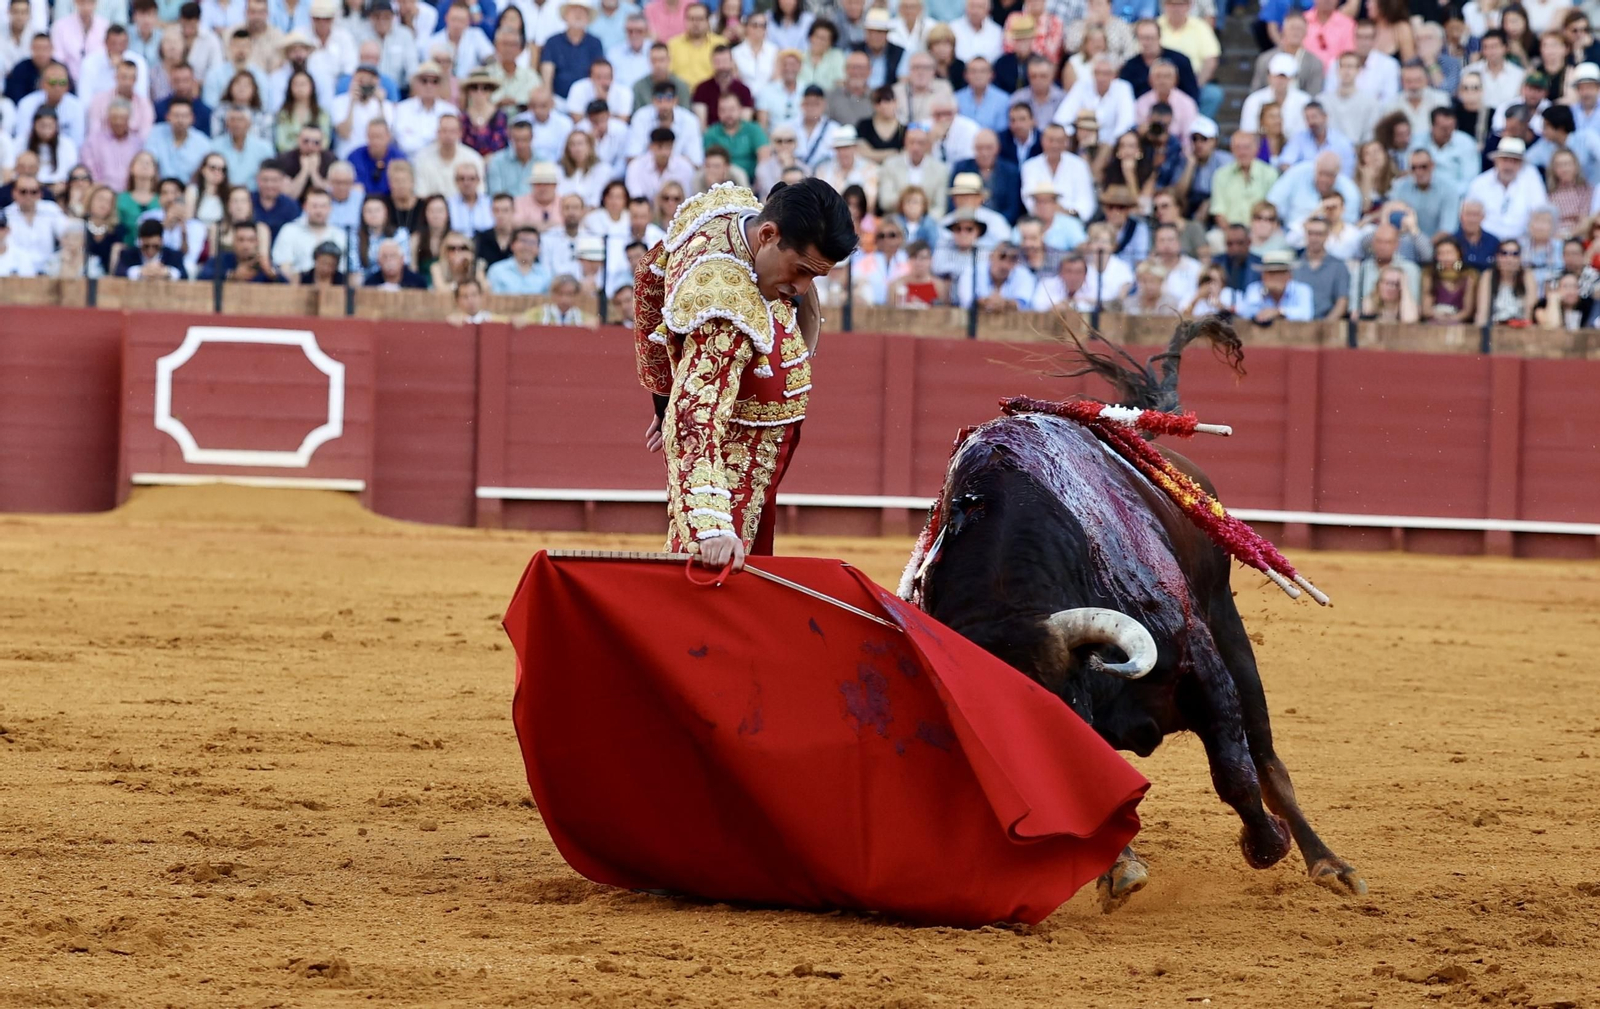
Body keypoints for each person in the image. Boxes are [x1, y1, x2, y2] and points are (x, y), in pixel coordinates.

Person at [633, 179, 854, 569]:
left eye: (814, 277)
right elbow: (692, 423)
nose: (801, 288)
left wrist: (663, 394)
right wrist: (710, 525)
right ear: (768, 235)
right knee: (713, 579)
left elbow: (649, 276)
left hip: (756, 442)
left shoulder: (727, 213)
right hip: (735, 453)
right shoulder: (725, 305)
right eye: (800, 270)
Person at [1236, 249, 1313, 323]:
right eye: (1271, 273)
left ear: (1289, 275)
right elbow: (1246, 312)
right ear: (1263, 276)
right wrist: (1263, 296)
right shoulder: (1255, 289)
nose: (1276, 278)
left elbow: (1306, 314)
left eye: (1280, 273)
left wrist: (1279, 312)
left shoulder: (1302, 290)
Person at [1475, 237, 1537, 325]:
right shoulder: (1488, 275)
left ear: (1520, 258)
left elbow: (1530, 312)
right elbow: (1482, 312)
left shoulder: (1527, 275)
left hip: (1521, 328)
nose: (1509, 258)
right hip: (1494, 328)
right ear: (1497, 257)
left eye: (1515, 254)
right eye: (1504, 253)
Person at [1421, 235, 1477, 324]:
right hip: (1434, 320)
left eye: (1449, 253)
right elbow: (1426, 309)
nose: (1445, 258)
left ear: (1459, 254)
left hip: (1459, 322)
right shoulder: (1429, 275)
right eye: (1441, 253)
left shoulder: (1469, 276)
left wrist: (1452, 318)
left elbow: (1467, 311)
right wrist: (1439, 316)